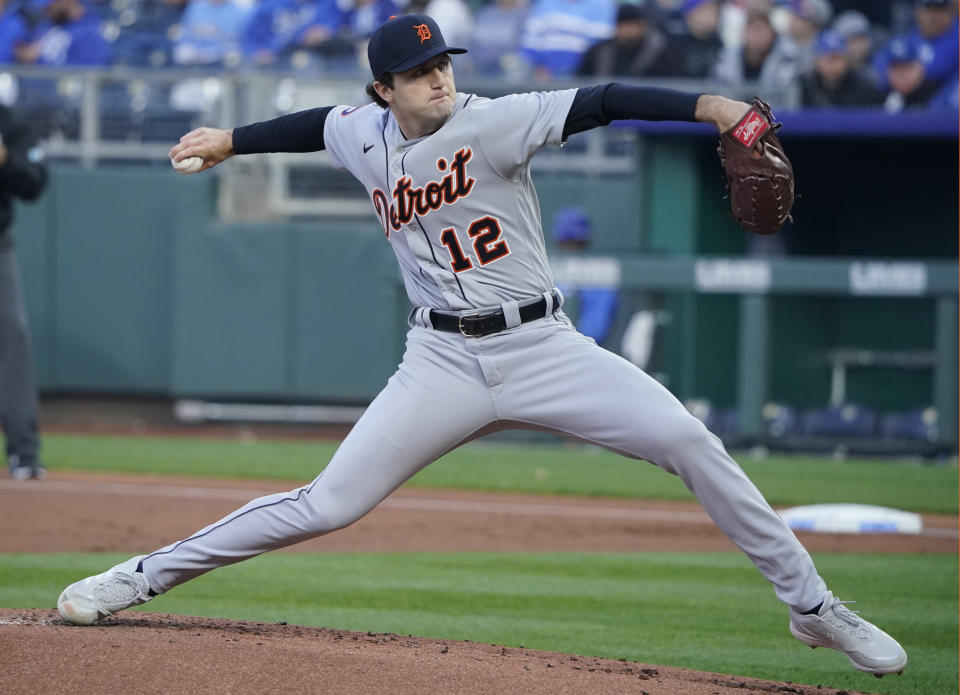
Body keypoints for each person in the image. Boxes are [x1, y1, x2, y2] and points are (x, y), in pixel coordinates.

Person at [57, 13, 908, 681]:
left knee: (692, 439)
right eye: (419, 72)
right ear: (384, 88)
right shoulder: (365, 133)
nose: (438, 78)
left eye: (443, 63)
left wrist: (715, 107)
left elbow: (606, 98)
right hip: (440, 362)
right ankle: (139, 575)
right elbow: (318, 123)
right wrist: (229, 139)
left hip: (544, 346)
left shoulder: (497, 122)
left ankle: (813, 606)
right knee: (328, 503)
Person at [0, 103, 48, 480]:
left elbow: (34, 181)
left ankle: (24, 454)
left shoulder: (7, 120)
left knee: (13, 341)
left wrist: (4, 159)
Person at [575, 1, 680, 78]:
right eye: (624, 26)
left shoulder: (662, 52)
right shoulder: (598, 52)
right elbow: (582, 81)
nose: (629, 30)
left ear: (643, 26)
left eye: (633, 25)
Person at [714, 5, 801, 88]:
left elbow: (784, 91)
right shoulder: (727, 57)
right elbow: (721, 87)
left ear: (772, 34)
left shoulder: (786, 58)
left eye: (761, 30)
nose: (757, 36)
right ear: (744, 33)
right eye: (753, 30)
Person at [800, 29, 882, 107]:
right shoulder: (804, 86)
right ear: (817, 62)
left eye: (838, 58)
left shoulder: (864, 87)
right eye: (828, 59)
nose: (833, 65)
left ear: (848, 60)